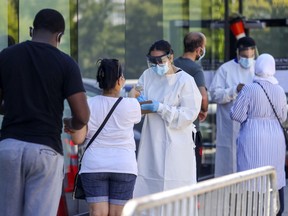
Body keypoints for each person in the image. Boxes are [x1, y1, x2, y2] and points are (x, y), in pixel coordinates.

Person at [0, 9, 90, 216]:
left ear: (32, 30)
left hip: (8, 148)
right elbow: (83, 116)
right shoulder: (66, 63)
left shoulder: (6, 56)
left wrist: (16, 105)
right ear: (59, 37)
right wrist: (71, 123)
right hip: (45, 150)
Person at [65, 59, 142, 216]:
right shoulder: (132, 105)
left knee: (97, 213)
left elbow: (78, 140)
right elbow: (130, 110)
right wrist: (132, 96)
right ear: (120, 81)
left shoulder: (88, 104)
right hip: (124, 166)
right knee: (118, 213)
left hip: (94, 165)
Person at [133, 39, 202, 198]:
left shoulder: (185, 81)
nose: (157, 65)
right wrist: (136, 102)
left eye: (160, 61)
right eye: (153, 61)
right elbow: (136, 95)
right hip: (151, 143)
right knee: (149, 188)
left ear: (171, 57)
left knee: (175, 190)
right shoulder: (148, 75)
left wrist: (161, 108)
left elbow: (189, 114)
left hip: (177, 145)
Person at [230, 53, 286, 216]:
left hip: (252, 135)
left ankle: (253, 210)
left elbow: (237, 115)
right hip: (276, 137)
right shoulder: (279, 90)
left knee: (251, 176)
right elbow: (283, 117)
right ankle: (276, 209)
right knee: (275, 174)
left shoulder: (249, 89)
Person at [209, 36, 257, 177]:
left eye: (250, 55)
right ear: (237, 52)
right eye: (244, 55)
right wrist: (234, 90)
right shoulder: (225, 69)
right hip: (229, 127)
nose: (247, 59)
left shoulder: (258, 69)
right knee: (229, 163)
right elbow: (214, 94)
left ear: (254, 53)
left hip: (252, 126)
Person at [174, 32, 209, 180]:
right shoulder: (196, 69)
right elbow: (203, 96)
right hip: (190, 127)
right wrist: (204, 109)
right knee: (192, 168)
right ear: (199, 50)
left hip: (172, 125)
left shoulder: (173, 64)